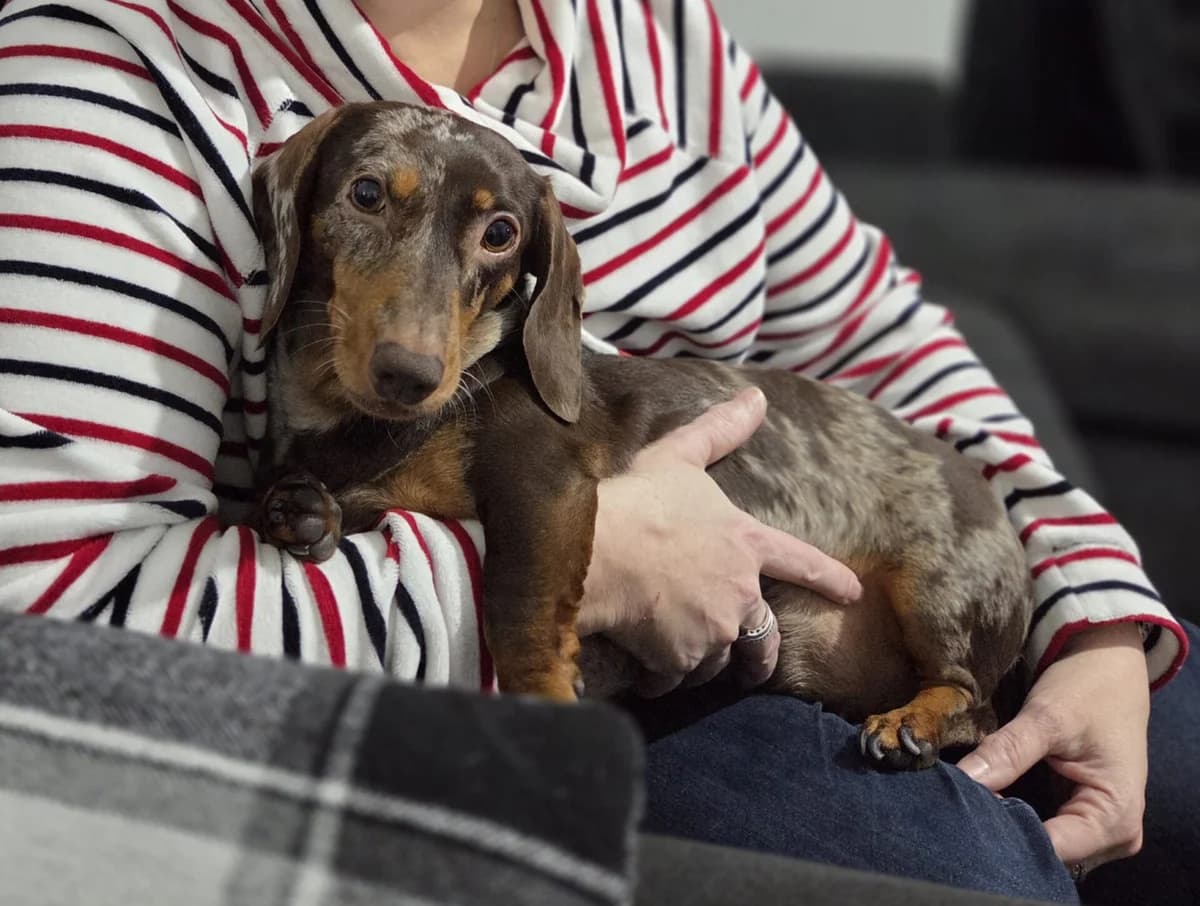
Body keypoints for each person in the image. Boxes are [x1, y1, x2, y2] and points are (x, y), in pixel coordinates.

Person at [0, 0, 1190, 901]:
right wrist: (601, 564)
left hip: (829, 567)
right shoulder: (99, 82)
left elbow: (879, 333)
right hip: (505, 696)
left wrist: (1097, 617)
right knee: (955, 871)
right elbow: (48, 638)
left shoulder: (642, 24)